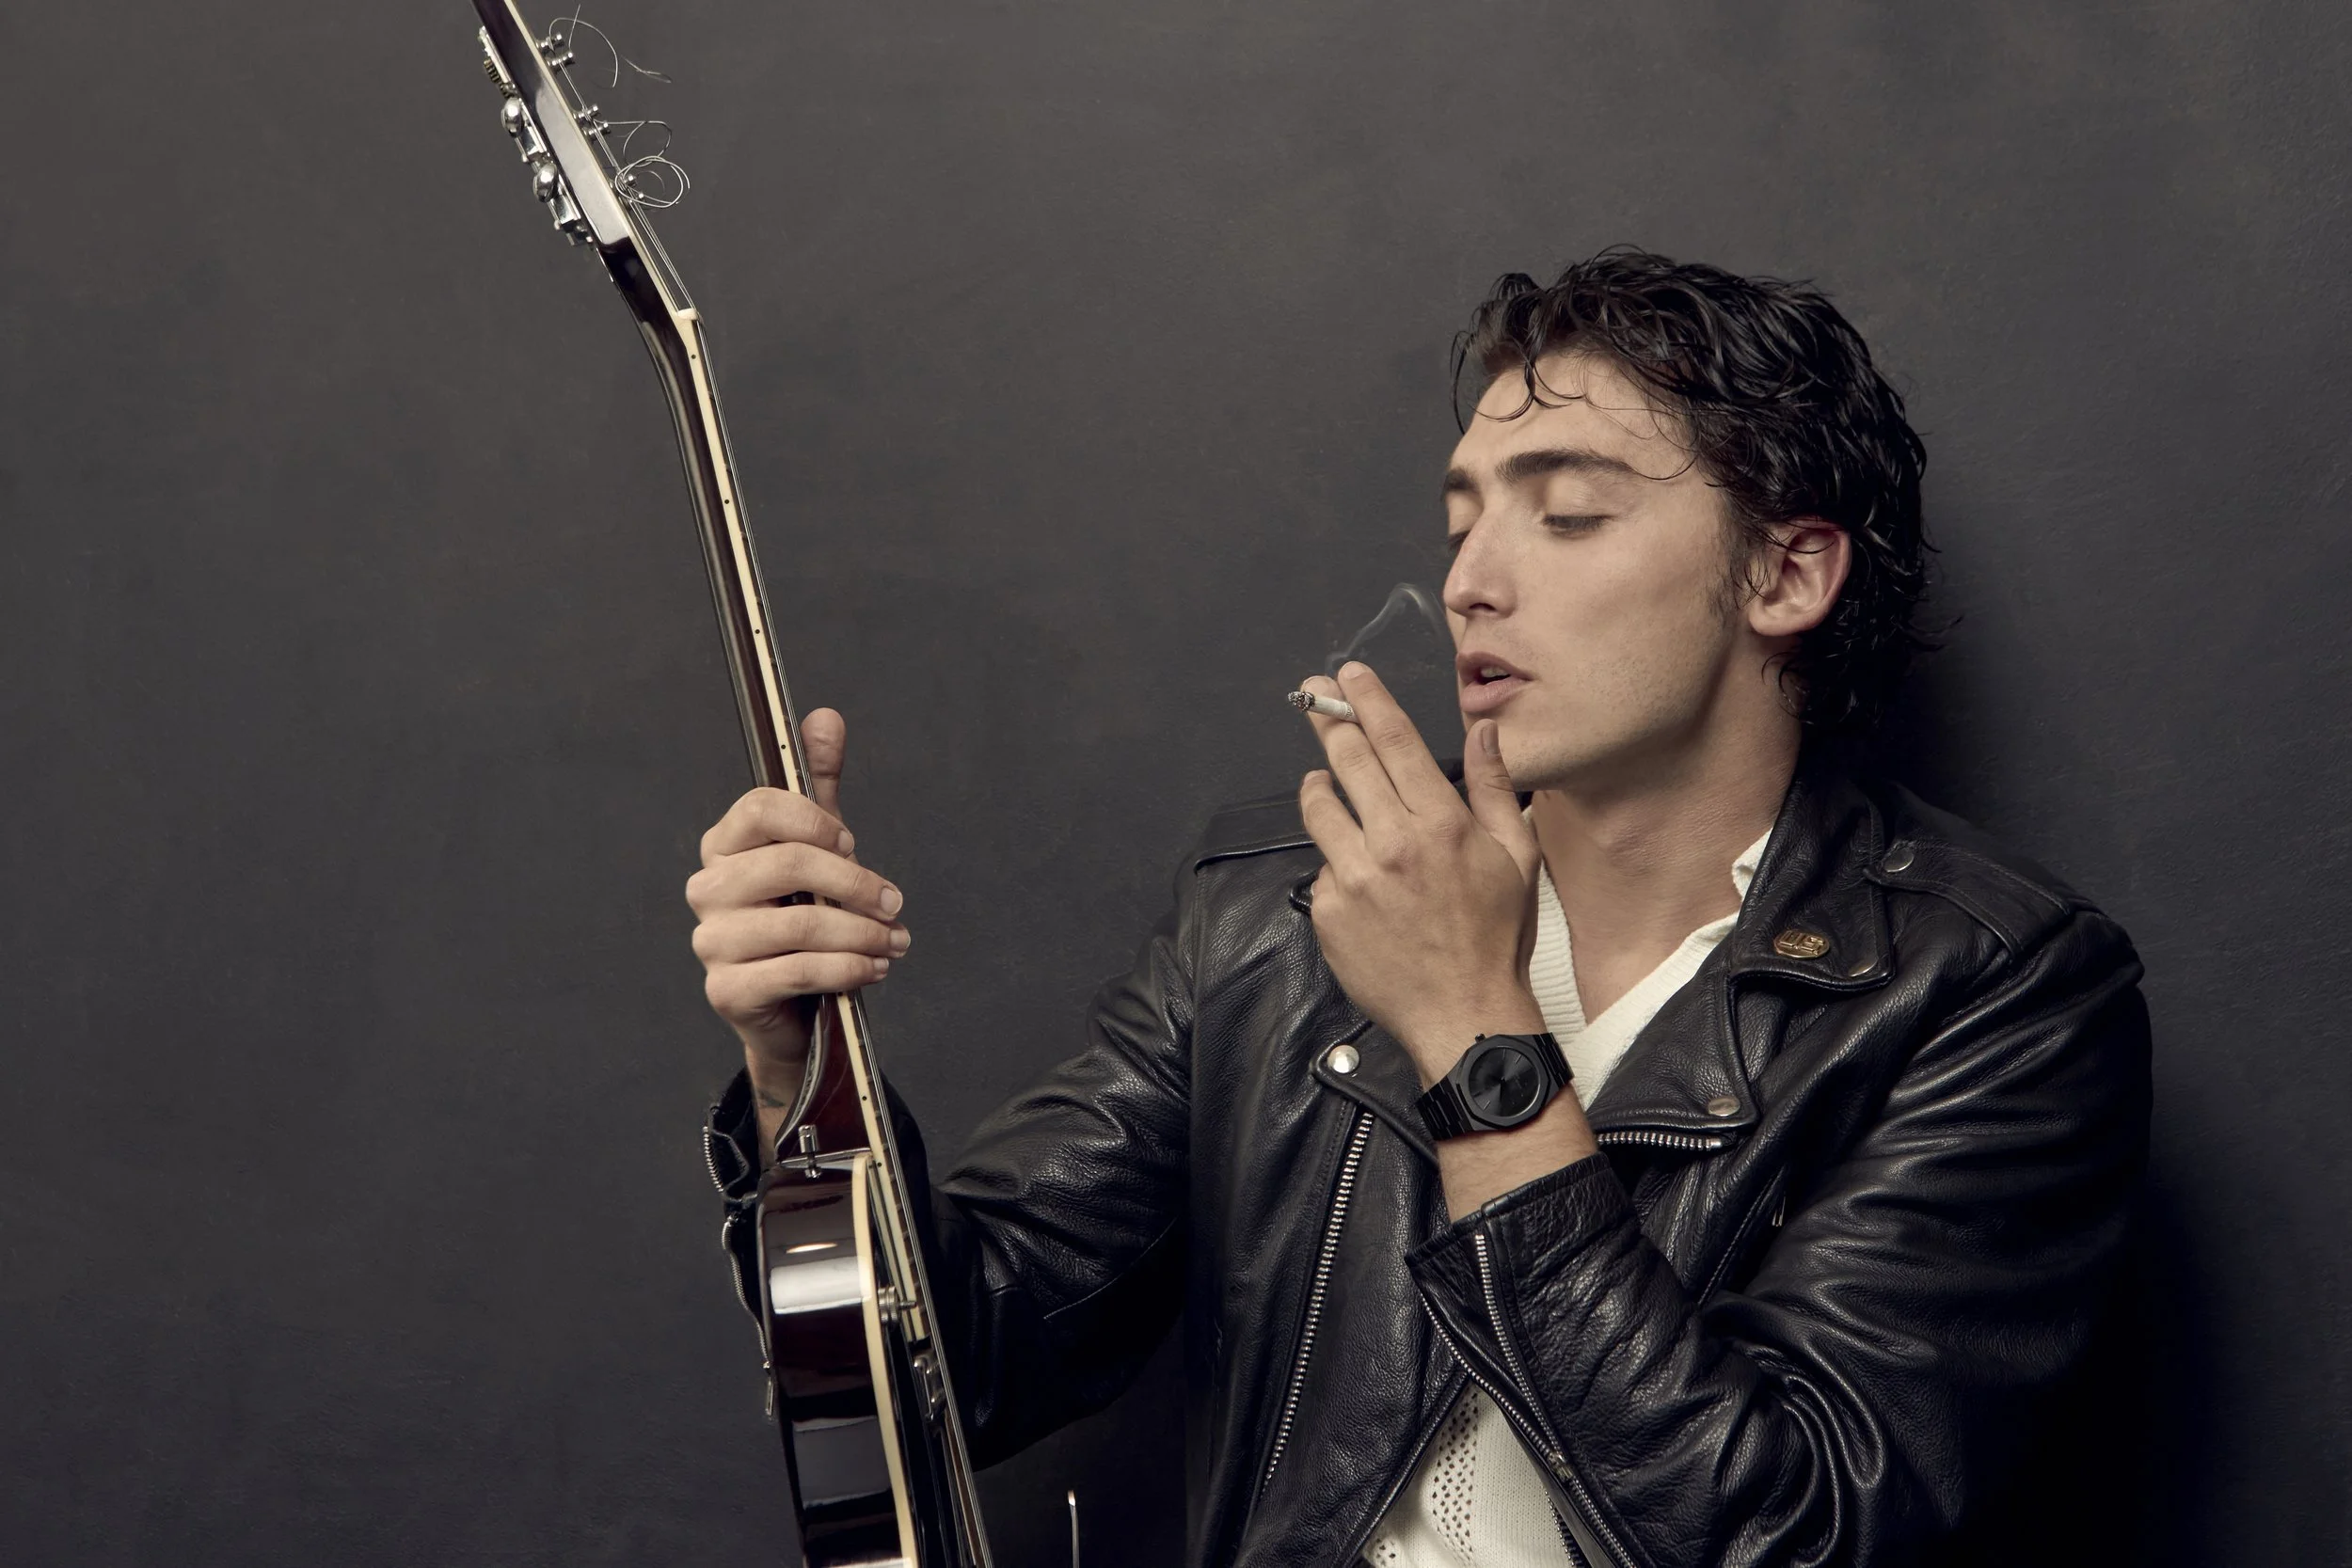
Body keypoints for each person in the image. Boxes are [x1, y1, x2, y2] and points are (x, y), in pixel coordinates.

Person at [688, 249, 2151, 1567]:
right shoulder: (1274, 903)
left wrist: (1471, 1029)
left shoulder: (1995, 990)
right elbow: (969, 1362)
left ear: (1786, 571)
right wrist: (798, 1072)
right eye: (1460, 522)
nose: (1470, 581)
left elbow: (1779, 1532)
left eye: (1569, 513)